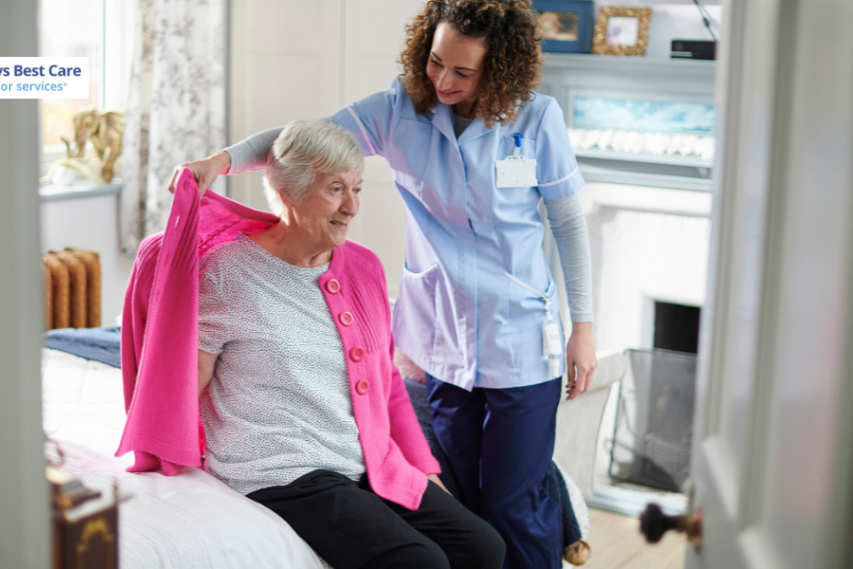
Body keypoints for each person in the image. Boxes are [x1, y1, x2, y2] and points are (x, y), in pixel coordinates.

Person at [170, 2, 597, 567]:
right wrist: (221, 161)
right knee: (464, 489)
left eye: (462, 72)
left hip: (520, 334)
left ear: (497, 71)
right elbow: (300, 141)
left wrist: (583, 328)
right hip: (438, 334)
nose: (443, 81)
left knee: (515, 499)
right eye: (435, 62)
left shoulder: (536, 119)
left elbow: (568, 222)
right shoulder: (401, 109)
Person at [121, 120, 506, 569]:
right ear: (288, 192)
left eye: (357, 190)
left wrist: (425, 470)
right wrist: (160, 444)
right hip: (279, 469)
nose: (351, 207)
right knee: (418, 562)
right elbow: (186, 383)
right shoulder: (229, 272)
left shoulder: (363, 268)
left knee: (483, 546)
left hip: (361, 461)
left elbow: (387, 384)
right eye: (336, 189)